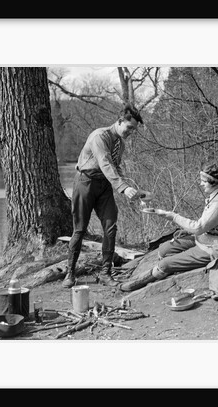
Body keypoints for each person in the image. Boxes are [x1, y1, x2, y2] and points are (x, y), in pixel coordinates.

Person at [63, 103, 146, 288]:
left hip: (104, 186)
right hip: (85, 182)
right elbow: (105, 163)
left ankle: (105, 273)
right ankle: (70, 274)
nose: (130, 132)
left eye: (134, 130)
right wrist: (122, 187)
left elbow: (116, 167)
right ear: (119, 121)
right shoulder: (99, 136)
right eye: (129, 127)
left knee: (110, 227)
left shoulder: (120, 143)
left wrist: (131, 188)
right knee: (80, 230)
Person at [119, 162, 218, 292]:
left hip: (214, 248)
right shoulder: (214, 196)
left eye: (204, 181)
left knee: (165, 264)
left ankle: (135, 284)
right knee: (164, 250)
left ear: (213, 182)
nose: (201, 184)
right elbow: (207, 226)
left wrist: (172, 216)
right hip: (204, 239)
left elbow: (199, 227)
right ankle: (174, 266)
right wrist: (185, 229)